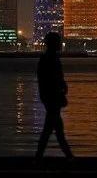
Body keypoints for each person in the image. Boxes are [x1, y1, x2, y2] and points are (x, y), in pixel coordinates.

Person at [35, 32, 74, 160]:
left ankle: (39, 157)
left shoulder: (47, 58)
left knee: (53, 129)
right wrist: (61, 89)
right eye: (58, 42)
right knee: (54, 129)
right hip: (52, 98)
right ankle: (69, 157)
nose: (60, 44)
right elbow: (52, 78)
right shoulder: (50, 59)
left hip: (49, 97)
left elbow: (45, 79)